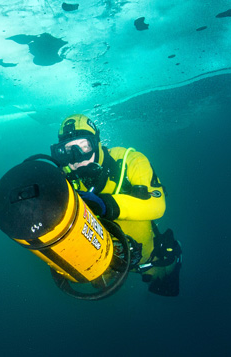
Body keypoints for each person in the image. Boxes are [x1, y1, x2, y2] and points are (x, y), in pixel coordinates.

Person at [49, 114, 182, 296]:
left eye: (84, 146)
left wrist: (106, 204)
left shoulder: (130, 161)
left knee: (167, 285)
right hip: (110, 260)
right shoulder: (67, 179)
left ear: (96, 143)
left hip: (152, 257)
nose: (77, 158)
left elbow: (157, 206)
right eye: (68, 151)